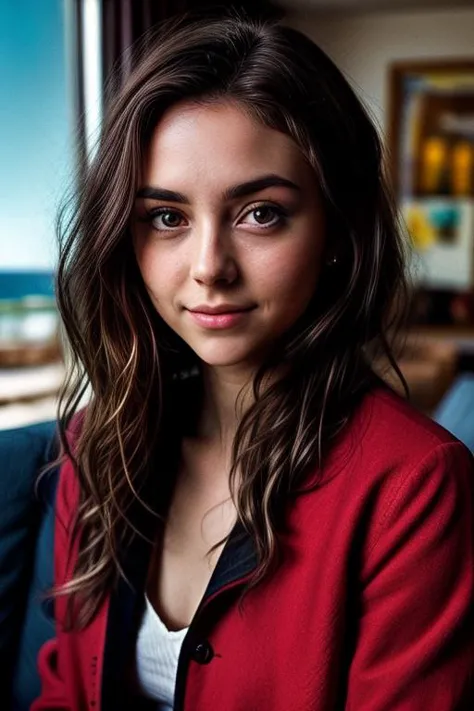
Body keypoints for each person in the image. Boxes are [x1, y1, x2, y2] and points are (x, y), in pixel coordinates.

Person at [32, 13, 473, 711]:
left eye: (261, 213)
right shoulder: (96, 446)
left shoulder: (414, 485)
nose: (209, 267)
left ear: (336, 230)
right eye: (167, 217)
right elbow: (65, 688)